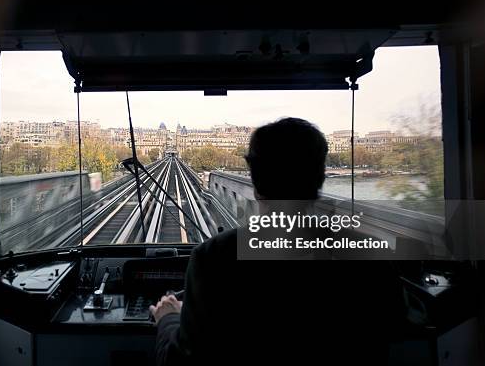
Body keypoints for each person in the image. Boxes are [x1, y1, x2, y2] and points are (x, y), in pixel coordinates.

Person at [149, 118, 405, 365]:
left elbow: (181, 361)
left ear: (256, 181)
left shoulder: (213, 258)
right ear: (320, 179)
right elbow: (399, 319)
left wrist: (169, 318)